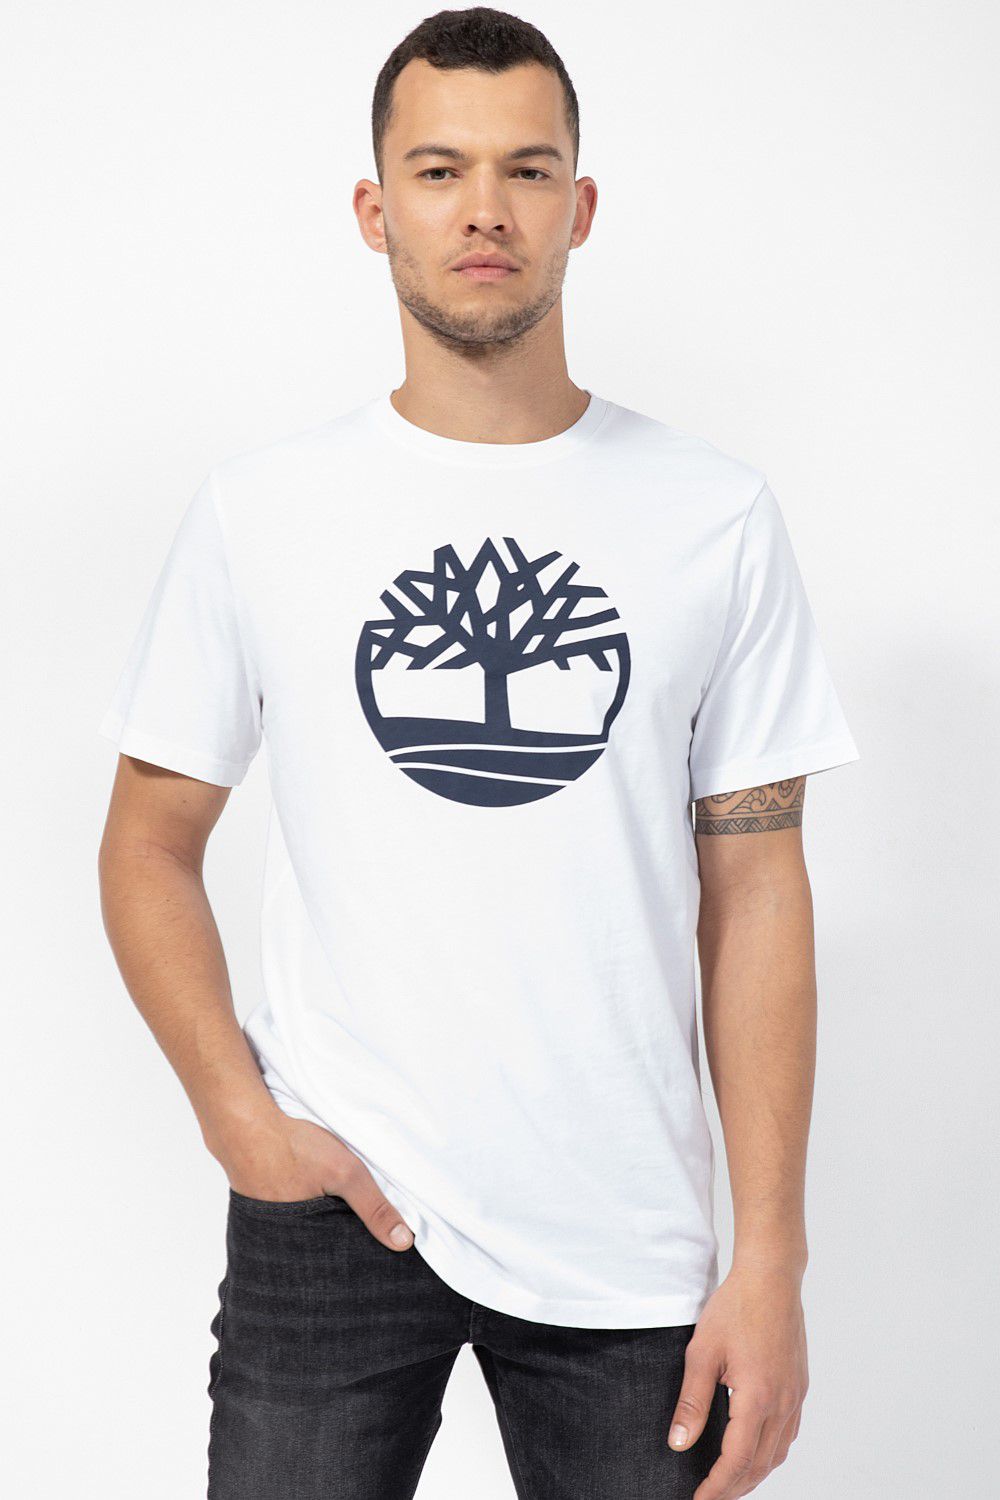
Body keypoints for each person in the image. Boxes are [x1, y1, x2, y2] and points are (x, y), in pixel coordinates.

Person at [96, 8, 860, 1498]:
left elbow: (760, 886)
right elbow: (147, 841)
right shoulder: (265, 511)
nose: (485, 210)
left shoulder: (712, 515)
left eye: (528, 169)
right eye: (439, 170)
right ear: (375, 209)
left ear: (581, 206)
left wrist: (769, 1257)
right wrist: (240, 1119)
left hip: (623, 1232)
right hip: (334, 1211)